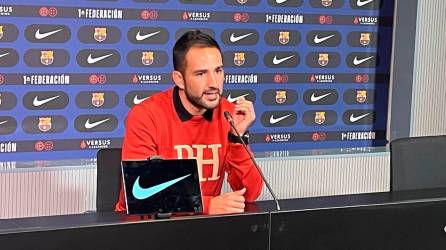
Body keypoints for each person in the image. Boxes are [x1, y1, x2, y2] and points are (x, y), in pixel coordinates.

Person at [115, 30, 263, 215]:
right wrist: (207, 205)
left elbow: (250, 194)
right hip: (145, 228)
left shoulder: (228, 114)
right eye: (201, 74)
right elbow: (140, 193)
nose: (214, 83)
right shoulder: (146, 115)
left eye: (218, 71)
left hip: (200, 229)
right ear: (179, 79)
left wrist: (237, 138)